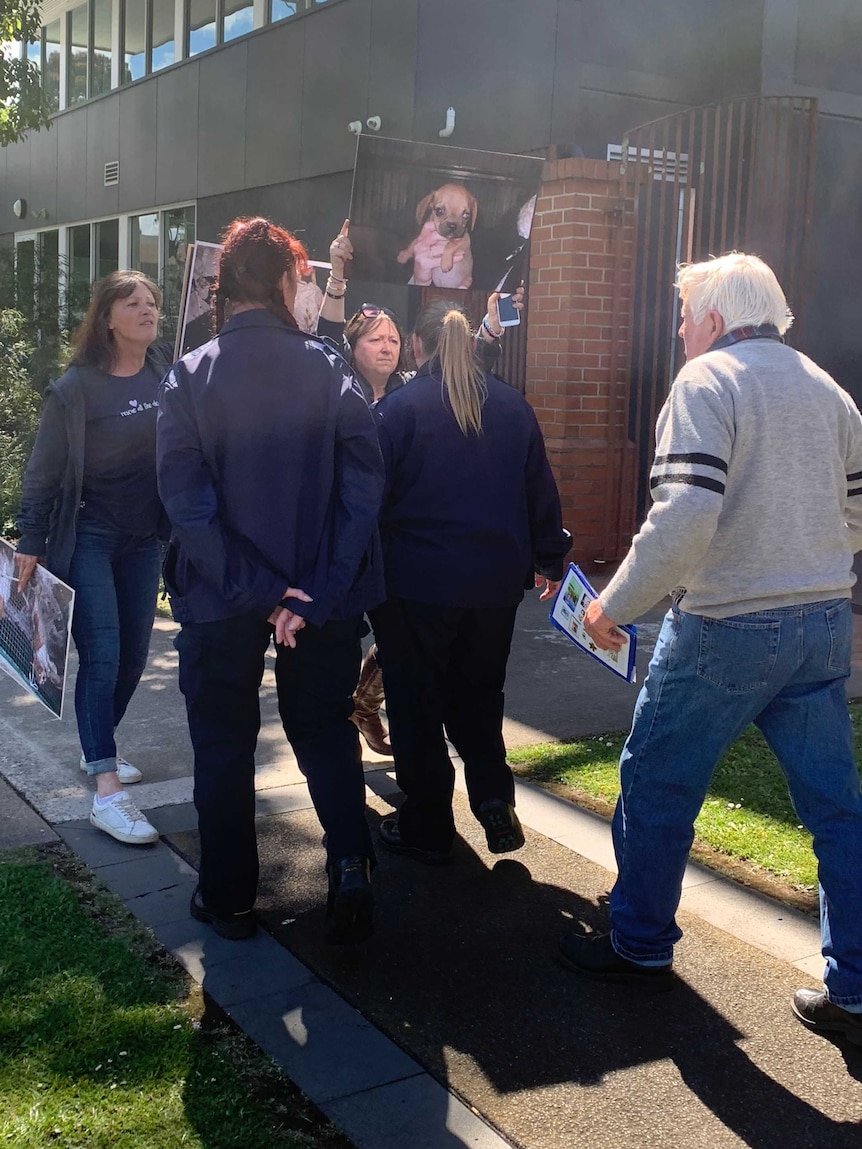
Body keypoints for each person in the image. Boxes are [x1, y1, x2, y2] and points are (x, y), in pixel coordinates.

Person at [558, 253, 862, 1042]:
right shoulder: (827, 389)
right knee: (836, 810)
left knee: (657, 780)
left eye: (685, 316)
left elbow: (684, 518)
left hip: (727, 625)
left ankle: (640, 944)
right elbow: (857, 508)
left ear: (717, 321)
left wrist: (613, 608)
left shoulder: (705, 384)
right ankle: (856, 985)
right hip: (824, 620)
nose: (680, 331)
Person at [156, 217, 385, 946]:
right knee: (323, 728)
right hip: (319, 595)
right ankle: (351, 863)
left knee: (222, 739)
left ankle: (227, 897)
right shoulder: (331, 367)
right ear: (285, 281)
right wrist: (310, 590)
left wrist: (259, 589)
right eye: (304, 276)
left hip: (222, 595)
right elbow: (362, 489)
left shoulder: (191, 374)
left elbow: (186, 505)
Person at [370, 300, 570, 864]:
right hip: (493, 586)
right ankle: (491, 798)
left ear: (416, 345)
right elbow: (540, 492)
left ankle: (428, 821)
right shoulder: (513, 408)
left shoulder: (397, 411)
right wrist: (550, 557)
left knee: (416, 704)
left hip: (415, 586)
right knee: (479, 698)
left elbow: (369, 502)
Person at [318, 221, 525, 755]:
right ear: (352, 348)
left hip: (402, 551)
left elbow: (466, 360)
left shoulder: (412, 394)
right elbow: (325, 337)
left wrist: (492, 327)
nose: (385, 346)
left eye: (393, 338)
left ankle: (365, 702)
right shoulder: (340, 390)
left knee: (405, 639)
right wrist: (337, 274)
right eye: (373, 338)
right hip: (349, 538)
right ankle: (349, 713)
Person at [16, 271, 173, 846]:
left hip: (143, 539)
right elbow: (43, 471)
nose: (146, 309)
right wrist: (30, 541)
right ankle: (107, 788)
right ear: (107, 318)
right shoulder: (76, 389)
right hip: (90, 536)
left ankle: (97, 743)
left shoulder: (166, 374)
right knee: (102, 652)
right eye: (133, 302)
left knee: (133, 656)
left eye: (152, 301)